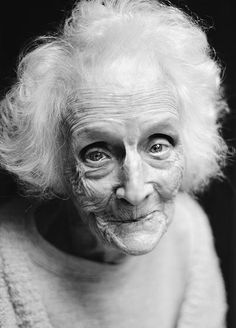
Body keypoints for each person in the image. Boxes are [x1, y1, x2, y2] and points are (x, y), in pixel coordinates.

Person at [0, 0, 228, 327]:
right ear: (52, 159)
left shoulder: (190, 231)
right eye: (97, 154)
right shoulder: (6, 261)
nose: (134, 192)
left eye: (158, 145)